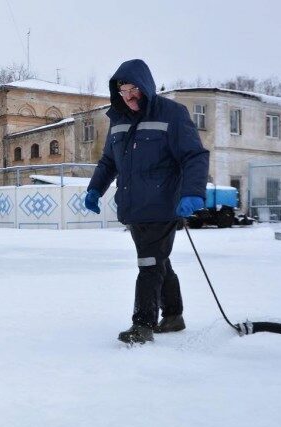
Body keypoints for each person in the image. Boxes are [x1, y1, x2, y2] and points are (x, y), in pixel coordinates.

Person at [85, 59, 209, 344]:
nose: (128, 96)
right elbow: (108, 161)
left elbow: (194, 155)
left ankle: (142, 325)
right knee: (158, 261)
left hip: (164, 204)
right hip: (133, 207)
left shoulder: (172, 114)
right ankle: (174, 315)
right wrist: (95, 189)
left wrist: (192, 192)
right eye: (123, 91)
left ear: (146, 86)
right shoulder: (118, 120)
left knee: (149, 263)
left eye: (133, 89)